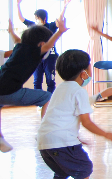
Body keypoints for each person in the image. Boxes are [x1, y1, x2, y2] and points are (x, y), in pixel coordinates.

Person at [37, 49, 112, 179]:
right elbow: (86, 122)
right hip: (60, 142)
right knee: (84, 168)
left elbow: (57, 117)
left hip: (44, 142)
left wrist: (75, 138)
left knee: (62, 171)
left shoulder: (59, 89)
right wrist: (105, 134)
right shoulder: (79, 92)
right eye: (89, 68)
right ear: (83, 74)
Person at [0, 17, 68, 153]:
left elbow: (16, 39)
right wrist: (60, 32)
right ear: (41, 43)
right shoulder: (35, 51)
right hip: (11, 91)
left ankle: (0, 138)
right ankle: (43, 132)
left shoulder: (19, 47)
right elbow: (48, 46)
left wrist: (11, 31)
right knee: (48, 97)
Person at [16, 0, 72, 93]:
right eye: (35, 18)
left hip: (50, 57)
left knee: (50, 80)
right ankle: (39, 103)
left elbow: (59, 18)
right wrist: (18, 4)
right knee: (37, 80)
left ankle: (50, 101)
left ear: (44, 18)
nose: (36, 20)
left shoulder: (50, 26)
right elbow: (21, 18)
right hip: (36, 57)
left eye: (37, 18)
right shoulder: (33, 26)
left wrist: (64, 7)